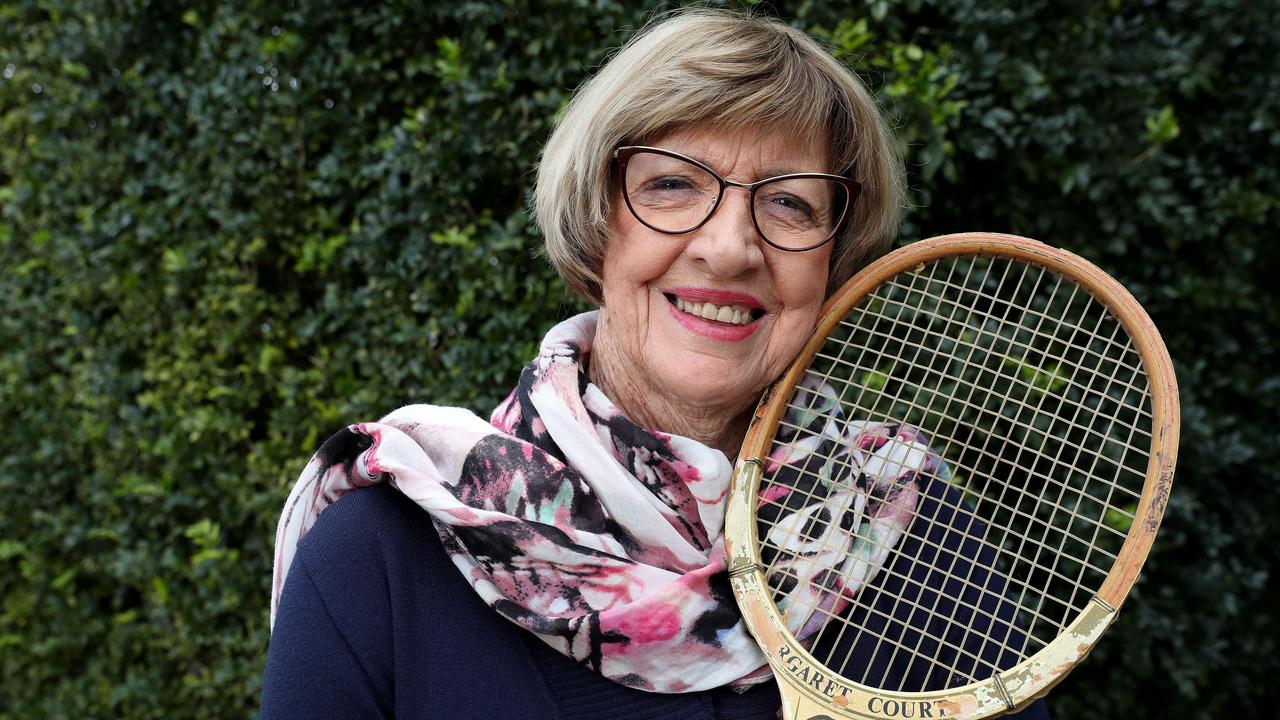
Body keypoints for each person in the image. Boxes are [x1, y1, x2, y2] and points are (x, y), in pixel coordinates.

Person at [262, 9, 1050, 719]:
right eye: (673, 185)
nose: (730, 246)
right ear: (599, 219)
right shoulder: (380, 557)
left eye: (789, 203)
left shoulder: (915, 530)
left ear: (833, 261)